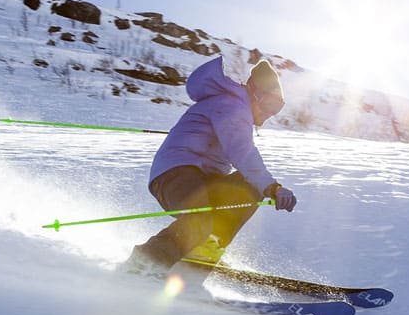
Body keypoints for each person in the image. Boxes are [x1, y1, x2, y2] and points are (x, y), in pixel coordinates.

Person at [125, 56, 297, 276]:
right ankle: (145, 263)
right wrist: (272, 187)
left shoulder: (234, 106)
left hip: (202, 177)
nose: (267, 116)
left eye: (277, 108)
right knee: (201, 218)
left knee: (247, 186)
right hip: (175, 174)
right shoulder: (232, 105)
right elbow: (242, 151)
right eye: (269, 105)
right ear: (254, 91)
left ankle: (199, 259)